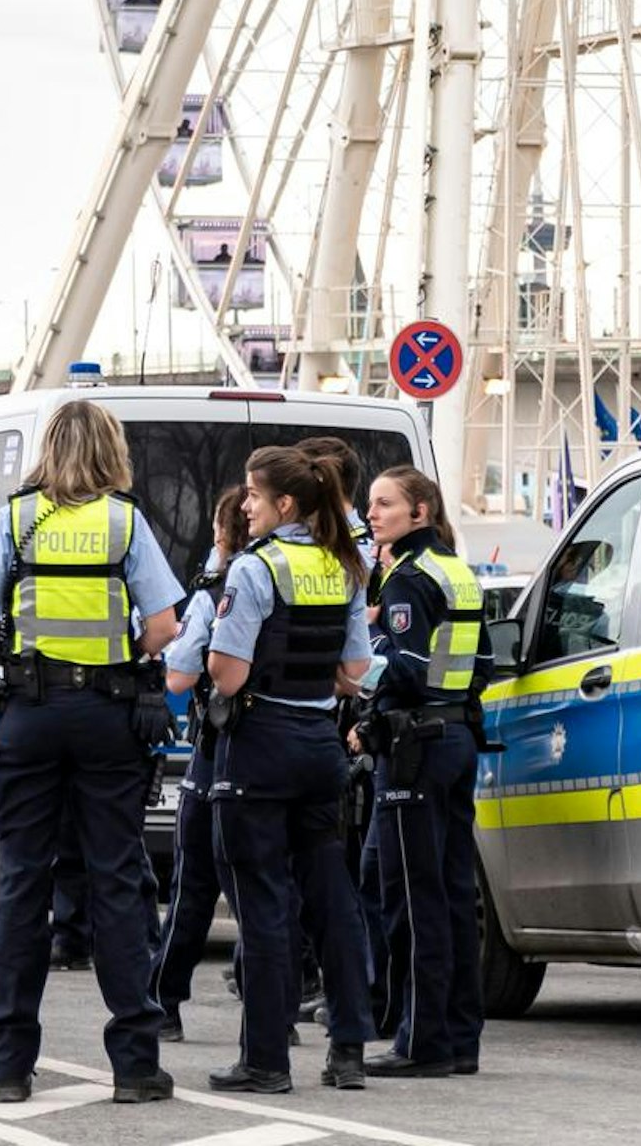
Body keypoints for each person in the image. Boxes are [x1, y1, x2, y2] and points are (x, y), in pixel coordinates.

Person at [0, 398, 181, 1105]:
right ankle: (136, 1064)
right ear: (111, 450)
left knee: (22, 884)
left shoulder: (15, 520)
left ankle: (11, 1066)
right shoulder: (124, 522)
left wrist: (18, 660)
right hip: (108, 718)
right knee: (116, 879)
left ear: (49, 448)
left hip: (28, 715)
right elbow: (166, 627)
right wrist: (114, 656)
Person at [204, 445, 373, 1096]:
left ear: (286, 504)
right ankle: (349, 1048)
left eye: (252, 495)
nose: (244, 505)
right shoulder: (343, 565)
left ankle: (267, 1059)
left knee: (266, 905)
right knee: (333, 900)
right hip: (318, 742)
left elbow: (227, 671)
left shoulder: (256, 569)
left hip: (262, 742)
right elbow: (354, 672)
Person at [360, 463, 487, 1081]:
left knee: (412, 897)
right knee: (454, 891)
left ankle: (421, 1040)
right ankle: (461, 1036)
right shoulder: (458, 571)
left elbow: (404, 669)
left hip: (413, 743)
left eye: (385, 504)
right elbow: (481, 662)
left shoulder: (407, 579)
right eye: (371, 505)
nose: (372, 514)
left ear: (420, 513)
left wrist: (365, 654)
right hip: (457, 734)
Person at [151, 482, 247, 1035]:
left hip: (217, 752)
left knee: (193, 887)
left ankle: (164, 1003)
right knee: (263, 890)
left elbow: (181, 674)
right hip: (286, 750)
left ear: (221, 533)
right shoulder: (301, 575)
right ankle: (273, 1005)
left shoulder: (219, 590)